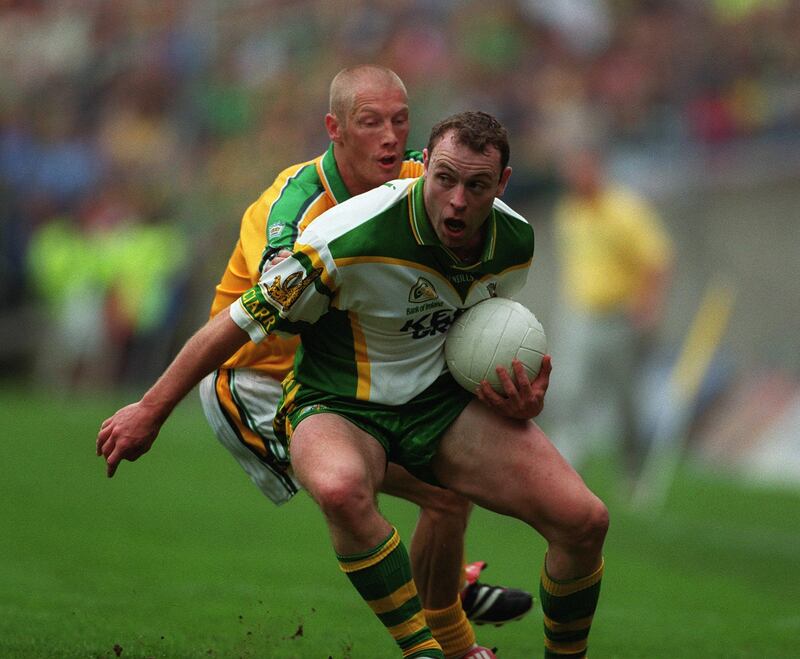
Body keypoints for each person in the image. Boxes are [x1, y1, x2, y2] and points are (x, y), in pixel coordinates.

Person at [97, 110, 608, 659]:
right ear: (424, 166)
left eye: (477, 186)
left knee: (584, 521)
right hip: (337, 403)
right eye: (445, 179)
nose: (458, 200)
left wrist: (512, 396)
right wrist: (150, 409)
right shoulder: (346, 235)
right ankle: (428, 648)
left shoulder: (514, 241)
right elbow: (238, 322)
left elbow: (476, 337)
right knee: (342, 490)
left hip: (437, 407)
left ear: (502, 183)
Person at [549, 147, 674, 487]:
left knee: (625, 399)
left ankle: (633, 466)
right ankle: (567, 464)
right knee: (570, 387)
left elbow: (657, 259)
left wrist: (649, 305)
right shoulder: (568, 212)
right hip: (580, 315)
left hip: (620, 318)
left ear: (596, 168)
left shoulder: (625, 209)